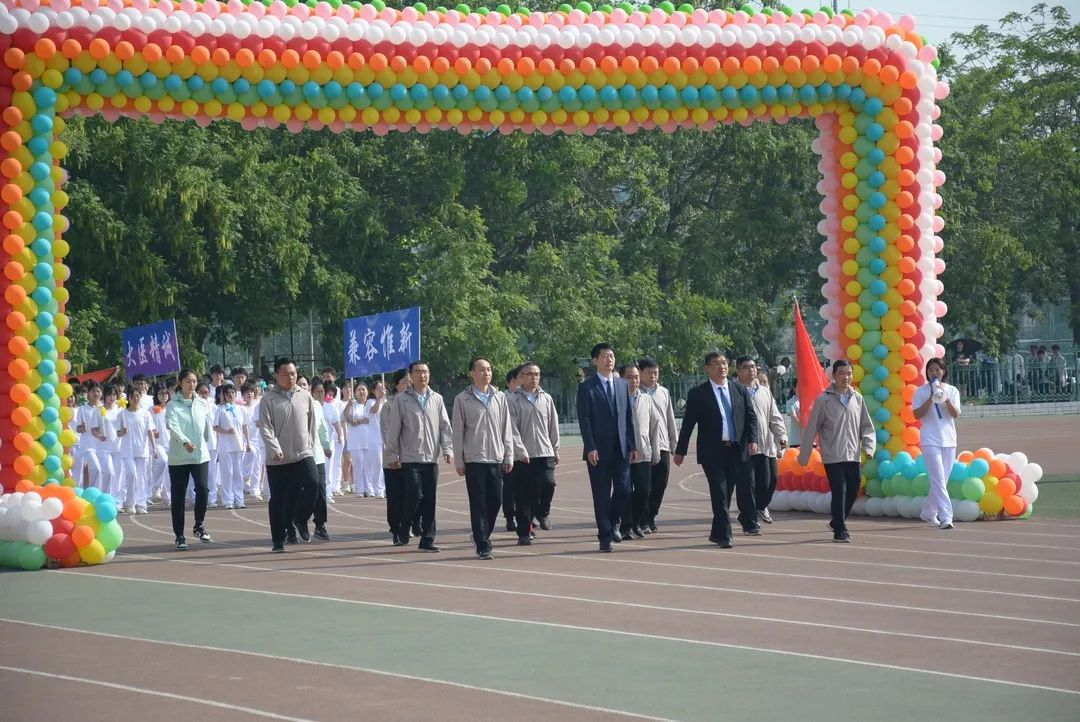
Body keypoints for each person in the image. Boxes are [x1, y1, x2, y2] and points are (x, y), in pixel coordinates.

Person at [674, 352, 760, 547]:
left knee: (727, 493)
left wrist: (753, 440)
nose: (721, 367)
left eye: (724, 363)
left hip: (736, 449)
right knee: (719, 493)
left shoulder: (738, 389)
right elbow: (688, 424)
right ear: (707, 369)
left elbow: (751, 417)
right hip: (712, 452)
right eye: (715, 364)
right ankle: (725, 536)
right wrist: (681, 451)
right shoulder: (698, 394)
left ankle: (717, 532)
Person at [798, 360, 876, 543]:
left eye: (848, 373)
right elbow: (812, 428)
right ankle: (840, 530)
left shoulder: (857, 398)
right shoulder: (823, 400)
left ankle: (836, 521)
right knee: (839, 490)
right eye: (841, 373)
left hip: (852, 453)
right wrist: (804, 455)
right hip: (832, 455)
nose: (845, 377)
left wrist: (869, 446)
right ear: (833, 375)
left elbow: (866, 426)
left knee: (854, 488)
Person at [383, 360, 453, 552]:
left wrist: (447, 449)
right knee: (414, 494)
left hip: (431, 457)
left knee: (430, 499)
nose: (423, 375)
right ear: (411, 376)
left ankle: (427, 540)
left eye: (425, 372)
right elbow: (394, 430)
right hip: (410, 457)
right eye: (418, 372)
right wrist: (392, 454)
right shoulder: (401, 400)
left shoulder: (437, 399)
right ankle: (405, 524)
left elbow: (445, 426)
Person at [576, 343, 637, 553]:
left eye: (611, 356)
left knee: (624, 490)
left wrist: (632, 444)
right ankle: (605, 537)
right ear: (595, 361)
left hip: (621, 449)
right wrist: (590, 447)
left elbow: (628, 417)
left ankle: (609, 524)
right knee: (601, 495)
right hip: (598, 451)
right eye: (604, 356)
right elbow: (585, 420)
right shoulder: (586, 388)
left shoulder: (622, 385)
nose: (609, 359)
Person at [453, 357, 515, 560]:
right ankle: (483, 544)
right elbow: (458, 432)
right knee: (478, 502)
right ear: (472, 373)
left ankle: (480, 534)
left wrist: (509, 455)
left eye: (489, 369)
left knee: (496, 500)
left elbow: (506, 428)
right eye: (481, 369)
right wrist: (459, 460)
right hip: (474, 458)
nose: (486, 373)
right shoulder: (462, 399)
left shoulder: (500, 397)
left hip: (496, 457)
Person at [259, 357, 321, 553]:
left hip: (302, 453)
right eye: (285, 374)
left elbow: (311, 424)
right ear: (277, 375)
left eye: (293, 373)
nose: (290, 377)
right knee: (279, 499)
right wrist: (274, 448)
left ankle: (300, 519)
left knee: (313, 482)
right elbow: (265, 427)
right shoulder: (268, 399)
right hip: (278, 458)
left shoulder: (305, 396)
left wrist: (309, 446)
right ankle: (278, 540)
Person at [507, 361, 560, 545]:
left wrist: (555, 448)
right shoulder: (512, 399)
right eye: (529, 374)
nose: (534, 377)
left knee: (548, 483)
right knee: (523, 495)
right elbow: (511, 428)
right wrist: (520, 450)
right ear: (521, 377)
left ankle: (542, 512)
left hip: (545, 451)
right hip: (523, 455)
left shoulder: (546, 398)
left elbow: (553, 425)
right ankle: (523, 532)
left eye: (537, 374)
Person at [165, 369, 214, 550]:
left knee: (203, 489)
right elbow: (172, 426)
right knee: (178, 495)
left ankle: (198, 525)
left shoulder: (202, 402)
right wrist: (185, 441)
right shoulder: (172, 405)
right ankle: (179, 535)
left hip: (200, 454)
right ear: (180, 382)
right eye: (188, 381)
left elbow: (205, 424)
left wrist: (206, 439)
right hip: (179, 456)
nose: (192, 385)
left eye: (194, 381)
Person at [736, 357, 787, 524]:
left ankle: (760, 506)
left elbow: (775, 416)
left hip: (765, 444)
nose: (750, 370)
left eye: (752, 367)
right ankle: (749, 518)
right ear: (738, 371)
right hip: (744, 446)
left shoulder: (764, 391)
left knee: (771, 480)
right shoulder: (734, 391)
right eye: (745, 367)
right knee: (748, 484)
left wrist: (781, 436)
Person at [913, 358, 960, 529]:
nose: (934, 373)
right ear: (927, 372)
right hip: (930, 439)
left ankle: (928, 512)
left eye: (937, 370)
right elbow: (917, 414)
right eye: (931, 370)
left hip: (949, 439)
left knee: (942, 481)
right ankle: (946, 517)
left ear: (943, 371)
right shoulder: (920, 391)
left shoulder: (952, 390)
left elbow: (955, 414)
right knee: (938, 479)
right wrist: (931, 398)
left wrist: (945, 398)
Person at [619, 363, 659, 540]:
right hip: (623, 454)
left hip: (643, 452)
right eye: (629, 377)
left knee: (644, 491)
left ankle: (636, 522)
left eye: (636, 377)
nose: (634, 381)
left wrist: (655, 452)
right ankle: (625, 526)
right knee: (625, 491)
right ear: (621, 379)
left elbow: (654, 427)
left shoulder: (646, 399)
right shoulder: (616, 399)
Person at [638, 357, 678, 533]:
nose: (653, 376)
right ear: (640, 373)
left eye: (655, 373)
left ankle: (652, 516)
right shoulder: (636, 392)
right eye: (649, 373)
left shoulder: (663, 392)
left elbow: (670, 418)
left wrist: (674, 443)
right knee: (645, 486)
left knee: (661, 484)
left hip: (662, 445)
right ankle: (643, 519)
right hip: (644, 446)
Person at [296, 375, 334, 540]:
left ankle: (320, 524)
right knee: (305, 489)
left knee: (321, 490)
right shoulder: (292, 405)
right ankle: (298, 519)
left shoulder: (316, 405)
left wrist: (326, 445)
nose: (303, 387)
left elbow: (322, 428)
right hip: (299, 455)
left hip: (317, 454)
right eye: (300, 385)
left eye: (305, 384)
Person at [381, 371, 414, 544]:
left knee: (413, 494)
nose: (409, 385)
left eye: (410, 382)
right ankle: (396, 529)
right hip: (393, 460)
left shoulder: (415, 402)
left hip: (412, 458)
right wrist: (395, 455)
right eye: (405, 382)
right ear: (396, 385)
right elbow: (388, 434)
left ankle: (408, 525)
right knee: (395, 497)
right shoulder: (389, 406)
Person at [118, 383, 156, 514]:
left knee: (141, 477)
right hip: (127, 450)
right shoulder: (122, 414)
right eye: (133, 396)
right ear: (128, 398)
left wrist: (154, 448)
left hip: (142, 450)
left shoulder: (145, 413)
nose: (135, 398)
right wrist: (122, 432)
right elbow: (117, 433)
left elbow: (150, 431)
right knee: (131, 475)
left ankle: (141, 503)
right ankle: (130, 503)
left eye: (138, 396)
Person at [213, 383, 250, 510]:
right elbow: (215, 427)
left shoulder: (241, 409)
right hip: (225, 446)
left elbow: (245, 426)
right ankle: (227, 499)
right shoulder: (220, 410)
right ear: (224, 395)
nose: (231, 395)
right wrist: (226, 432)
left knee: (238, 472)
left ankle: (239, 499)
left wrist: (248, 443)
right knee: (227, 473)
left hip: (238, 445)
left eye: (232, 393)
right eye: (228, 393)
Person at [502, 365, 522, 532]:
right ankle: (510, 517)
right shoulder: (503, 400)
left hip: (528, 451)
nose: (520, 384)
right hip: (509, 452)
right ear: (509, 383)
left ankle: (527, 518)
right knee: (510, 487)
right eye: (516, 380)